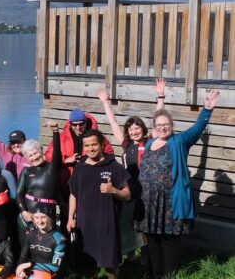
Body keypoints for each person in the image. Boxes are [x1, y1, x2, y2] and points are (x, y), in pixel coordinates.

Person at [138, 90, 220, 278]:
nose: (162, 128)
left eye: (166, 125)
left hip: (170, 202)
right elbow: (157, 117)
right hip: (149, 203)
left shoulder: (179, 141)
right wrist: (160, 99)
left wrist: (207, 108)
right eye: (159, 125)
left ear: (172, 126)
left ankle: (170, 275)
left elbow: (197, 128)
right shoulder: (150, 143)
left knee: (169, 241)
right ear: (154, 127)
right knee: (152, 239)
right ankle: (155, 274)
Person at [98, 82, 165, 256]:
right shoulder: (126, 144)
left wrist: (161, 97)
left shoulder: (150, 142)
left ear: (143, 129)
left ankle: (147, 254)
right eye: (131, 129)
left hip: (147, 188)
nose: (134, 131)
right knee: (127, 220)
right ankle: (129, 251)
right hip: (129, 187)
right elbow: (112, 122)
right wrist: (105, 101)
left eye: (137, 128)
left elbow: (158, 119)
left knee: (144, 220)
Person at [67, 130, 131, 278]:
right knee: (89, 265)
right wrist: (71, 217)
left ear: (102, 145)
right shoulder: (79, 168)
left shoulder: (114, 166)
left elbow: (127, 195)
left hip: (108, 223)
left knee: (110, 263)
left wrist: (114, 190)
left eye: (94, 144)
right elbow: (73, 194)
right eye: (87, 146)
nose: (90, 149)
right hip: (85, 224)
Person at [16, 121, 62, 240]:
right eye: (30, 156)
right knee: (28, 244)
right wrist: (24, 211)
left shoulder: (51, 168)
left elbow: (57, 153)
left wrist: (55, 132)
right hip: (29, 214)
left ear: (41, 151)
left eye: (35, 153)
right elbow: (19, 193)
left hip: (47, 213)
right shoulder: (26, 171)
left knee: (47, 241)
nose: (34, 157)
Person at [16, 205, 66, 279]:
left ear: (50, 217)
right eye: (36, 217)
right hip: (31, 272)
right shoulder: (31, 235)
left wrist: (31, 264)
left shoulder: (59, 238)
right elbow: (23, 257)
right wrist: (20, 270)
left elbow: (55, 267)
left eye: (43, 217)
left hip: (50, 274)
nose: (40, 221)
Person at [0, 105, 29, 176]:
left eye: (19, 142)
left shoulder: (31, 154)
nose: (16, 145)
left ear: (25, 141)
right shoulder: (6, 152)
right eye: (13, 142)